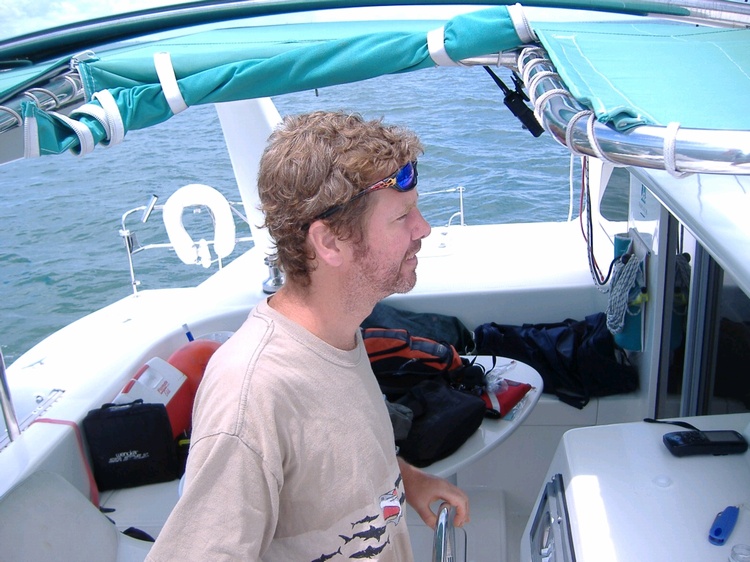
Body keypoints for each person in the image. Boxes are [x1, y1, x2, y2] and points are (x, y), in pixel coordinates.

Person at [146, 111, 470, 561]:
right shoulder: (252, 393)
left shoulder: (338, 336)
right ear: (330, 242)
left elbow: (329, 456)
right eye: (402, 216)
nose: (424, 228)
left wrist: (407, 479)